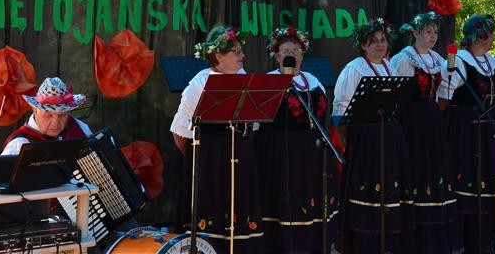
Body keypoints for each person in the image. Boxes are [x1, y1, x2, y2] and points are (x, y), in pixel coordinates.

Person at [170, 25, 264, 254]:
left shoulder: (245, 79)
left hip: (240, 156)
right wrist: (201, 159)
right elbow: (180, 133)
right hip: (210, 160)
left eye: (241, 50)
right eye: (236, 51)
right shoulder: (200, 83)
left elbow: (253, 125)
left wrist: (239, 149)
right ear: (219, 56)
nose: (243, 55)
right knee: (211, 212)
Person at [437, 14, 495, 254]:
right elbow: (444, 99)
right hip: (467, 131)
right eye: (491, 34)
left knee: (493, 178)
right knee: (471, 179)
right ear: (481, 36)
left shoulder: (492, 62)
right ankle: (472, 240)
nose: (494, 38)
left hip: (490, 130)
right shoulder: (458, 61)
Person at [332, 17, 415, 253]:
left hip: (390, 135)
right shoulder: (354, 68)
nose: (380, 45)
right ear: (363, 45)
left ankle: (388, 241)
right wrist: (352, 139)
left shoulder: (390, 67)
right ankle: (365, 242)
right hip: (366, 138)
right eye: (374, 41)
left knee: (390, 186)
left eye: (383, 40)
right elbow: (341, 109)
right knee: (368, 187)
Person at [256, 26, 339, 253]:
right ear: (276, 54)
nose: (291, 54)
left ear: (302, 54)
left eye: (296, 50)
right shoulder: (269, 81)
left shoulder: (313, 81)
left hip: (312, 154)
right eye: (286, 50)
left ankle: (314, 243)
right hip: (281, 154)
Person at [389, 11, 462, 254]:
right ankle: (415, 237)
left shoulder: (437, 59)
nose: (433, 36)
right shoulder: (404, 59)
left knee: (435, 169)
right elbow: (396, 95)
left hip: (432, 119)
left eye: (436, 32)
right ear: (415, 33)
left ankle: (437, 236)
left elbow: (446, 89)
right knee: (417, 169)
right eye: (428, 31)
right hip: (411, 121)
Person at [2, 77, 92, 155]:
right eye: (48, 115)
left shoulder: (80, 128)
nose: (55, 123)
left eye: (62, 115)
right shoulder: (18, 145)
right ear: (35, 109)